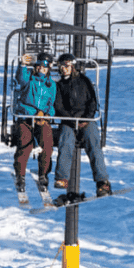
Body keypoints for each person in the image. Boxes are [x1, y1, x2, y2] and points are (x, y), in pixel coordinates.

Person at [53, 52, 112, 197]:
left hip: (86, 119)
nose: (64, 68)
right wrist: (72, 121)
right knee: (65, 141)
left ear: (73, 66)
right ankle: (62, 178)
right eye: (62, 66)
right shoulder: (59, 85)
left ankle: (102, 182)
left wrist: (86, 118)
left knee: (93, 142)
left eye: (67, 65)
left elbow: (92, 102)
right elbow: (59, 106)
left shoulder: (84, 81)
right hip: (69, 121)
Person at [12, 52, 56, 193]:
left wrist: (47, 115)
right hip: (26, 117)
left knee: (47, 143)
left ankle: (43, 174)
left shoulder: (51, 85)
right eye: (39, 66)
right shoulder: (29, 80)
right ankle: (21, 175)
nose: (41, 69)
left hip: (42, 119)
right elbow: (20, 79)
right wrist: (23, 65)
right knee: (25, 142)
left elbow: (51, 104)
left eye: (45, 67)